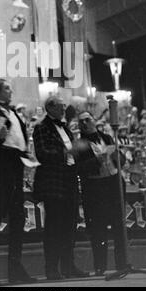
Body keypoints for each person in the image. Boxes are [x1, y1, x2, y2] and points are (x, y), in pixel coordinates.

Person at [0, 78, 36, 284]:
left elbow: (19, 137)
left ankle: (15, 269)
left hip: (17, 164)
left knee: (18, 217)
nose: (11, 91)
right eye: (6, 88)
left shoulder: (13, 113)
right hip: (1, 166)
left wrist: (26, 153)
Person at [33, 96, 89, 280]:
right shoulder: (42, 127)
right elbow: (42, 153)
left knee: (69, 225)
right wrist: (66, 152)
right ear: (50, 107)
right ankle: (51, 268)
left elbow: (72, 154)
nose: (64, 109)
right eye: (60, 106)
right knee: (54, 227)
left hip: (69, 178)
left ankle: (68, 265)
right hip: (53, 181)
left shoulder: (64, 128)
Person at [76, 111, 127, 276]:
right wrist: (97, 160)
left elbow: (122, 161)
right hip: (95, 188)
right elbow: (79, 169)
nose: (85, 123)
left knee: (119, 226)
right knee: (98, 229)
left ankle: (122, 264)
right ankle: (100, 266)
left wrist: (117, 156)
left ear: (94, 120)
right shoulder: (78, 144)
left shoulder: (107, 138)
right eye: (81, 121)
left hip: (113, 184)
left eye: (88, 120)